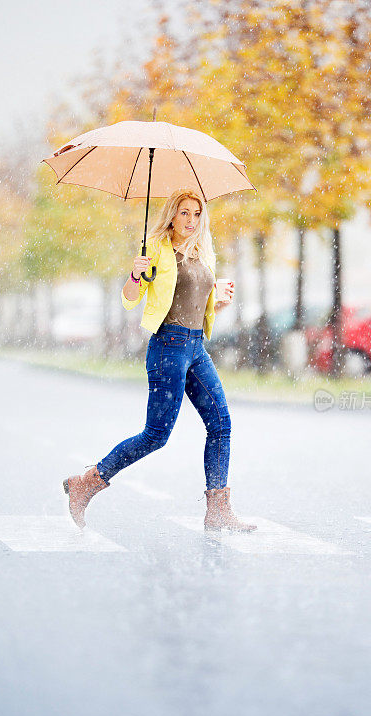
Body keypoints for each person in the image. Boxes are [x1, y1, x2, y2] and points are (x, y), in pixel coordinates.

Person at [63, 189, 257, 534]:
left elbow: (198, 305)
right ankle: (86, 483)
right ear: (172, 214)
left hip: (196, 347)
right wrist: (136, 275)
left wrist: (218, 300)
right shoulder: (157, 248)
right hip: (168, 346)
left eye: (197, 214)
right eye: (184, 213)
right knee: (156, 435)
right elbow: (129, 298)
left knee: (221, 423)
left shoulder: (201, 252)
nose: (191, 220)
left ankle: (218, 510)